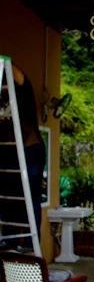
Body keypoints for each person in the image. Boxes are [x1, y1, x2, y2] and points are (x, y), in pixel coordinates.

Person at [11, 65, 46, 250]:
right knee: (12, 195)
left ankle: (31, 241)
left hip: (31, 149)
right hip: (14, 151)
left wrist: (3, 64)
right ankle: (12, 238)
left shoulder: (22, 91)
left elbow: (18, 74)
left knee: (30, 196)